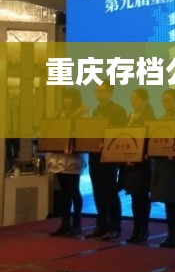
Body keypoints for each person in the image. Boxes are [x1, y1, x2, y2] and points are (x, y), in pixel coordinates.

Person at [85, 80, 127, 241]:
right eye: (96, 91)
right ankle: (101, 224)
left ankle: (115, 226)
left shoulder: (119, 111)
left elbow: (121, 134)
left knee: (110, 191)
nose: (98, 94)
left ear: (110, 92)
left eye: (101, 91)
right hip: (95, 155)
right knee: (97, 190)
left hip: (110, 156)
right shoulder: (96, 111)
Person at [47, 88, 88, 237]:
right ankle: (65, 223)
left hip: (73, 157)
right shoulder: (59, 114)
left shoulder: (82, 115)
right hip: (59, 156)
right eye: (65, 97)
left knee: (73, 190)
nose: (67, 100)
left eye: (70, 98)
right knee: (64, 192)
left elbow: (84, 134)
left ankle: (77, 224)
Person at [150, 89, 175, 248]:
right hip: (162, 164)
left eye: (169, 100)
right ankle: (171, 233)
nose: (165, 103)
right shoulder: (161, 119)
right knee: (167, 199)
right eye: (163, 100)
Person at [119, 88, 155, 244]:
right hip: (129, 163)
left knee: (142, 197)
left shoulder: (150, 118)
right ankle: (136, 229)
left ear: (145, 100)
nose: (133, 102)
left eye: (136, 99)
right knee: (134, 197)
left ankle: (144, 230)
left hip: (143, 164)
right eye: (131, 99)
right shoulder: (129, 117)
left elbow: (151, 141)